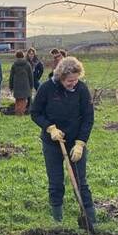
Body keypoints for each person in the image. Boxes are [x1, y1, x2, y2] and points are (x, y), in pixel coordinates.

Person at [31, 57, 96, 224]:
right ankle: (57, 220)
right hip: (52, 143)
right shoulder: (47, 88)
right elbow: (35, 112)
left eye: (75, 80)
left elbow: (88, 118)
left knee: (81, 182)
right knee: (56, 182)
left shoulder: (81, 89)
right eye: (69, 81)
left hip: (75, 142)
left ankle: (90, 220)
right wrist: (50, 128)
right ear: (61, 76)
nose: (73, 83)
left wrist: (80, 143)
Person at [9, 50, 35, 116]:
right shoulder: (27, 64)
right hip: (25, 85)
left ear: (16, 56)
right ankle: (21, 113)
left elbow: (11, 76)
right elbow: (31, 76)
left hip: (16, 85)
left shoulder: (14, 65)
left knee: (17, 100)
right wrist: (31, 85)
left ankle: (17, 112)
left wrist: (11, 86)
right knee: (23, 100)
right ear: (23, 56)